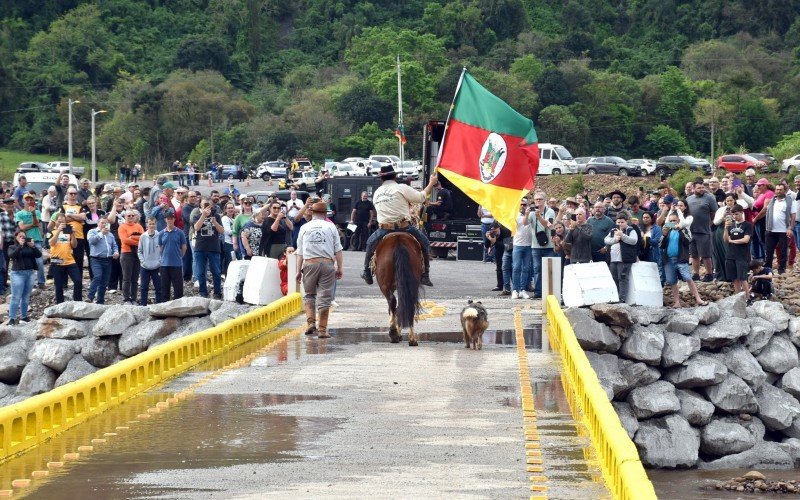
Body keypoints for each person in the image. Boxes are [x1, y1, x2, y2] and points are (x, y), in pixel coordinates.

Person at [361, 166, 437, 287]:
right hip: (404, 227)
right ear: (395, 176)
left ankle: (367, 272)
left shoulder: (377, 192)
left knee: (370, 243)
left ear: (382, 178)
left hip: (384, 229)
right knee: (425, 243)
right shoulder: (401, 188)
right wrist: (431, 183)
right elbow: (421, 198)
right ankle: (425, 275)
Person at [295, 201, 344, 339]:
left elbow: (300, 252)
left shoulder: (304, 227)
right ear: (324, 214)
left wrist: (298, 271)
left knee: (309, 295)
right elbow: (338, 250)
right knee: (325, 298)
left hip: (310, 263)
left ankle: (311, 323)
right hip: (327, 264)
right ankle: (322, 330)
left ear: (313, 213)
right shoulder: (330, 227)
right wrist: (339, 268)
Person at [660, 211, 708, 308]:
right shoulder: (668, 231)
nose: (672, 222)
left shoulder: (684, 230)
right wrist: (664, 235)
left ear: (678, 220)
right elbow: (661, 245)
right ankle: (677, 302)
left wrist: (681, 229)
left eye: (674, 220)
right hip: (669, 260)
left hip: (680, 259)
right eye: (671, 221)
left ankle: (698, 299)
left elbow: (688, 241)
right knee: (672, 281)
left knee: (688, 278)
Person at [191, 198, 224, 299]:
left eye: (208, 205)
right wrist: (203, 216)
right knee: (200, 272)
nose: (207, 206)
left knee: (216, 272)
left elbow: (222, 231)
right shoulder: (197, 216)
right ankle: (203, 292)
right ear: (200, 206)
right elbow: (196, 228)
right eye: (204, 204)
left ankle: (217, 293)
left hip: (214, 247)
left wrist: (215, 222)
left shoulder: (216, 216)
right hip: (200, 246)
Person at [686, 179, 718, 282]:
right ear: (693, 188)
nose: (701, 189)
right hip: (691, 231)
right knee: (694, 254)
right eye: (699, 188)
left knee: (706, 254)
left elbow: (714, 213)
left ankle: (709, 274)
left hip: (704, 231)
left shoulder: (709, 198)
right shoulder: (689, 199)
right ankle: (696, 274)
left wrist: (710, 223)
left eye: (702, 187)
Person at [7, 230, 41, 324]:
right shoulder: (12, 246)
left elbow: (39, 255)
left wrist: (33, 246)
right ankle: (12, 318)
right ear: (16, 238)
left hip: (30, 273)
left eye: (24, 236)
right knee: (16, 296)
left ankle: (24, 317)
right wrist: (20, 246)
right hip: (17, 274)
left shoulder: (29, 247)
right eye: (20, 236)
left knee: (25, 296)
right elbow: (12, 255)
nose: (22, 238)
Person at [604, 212, 638, 302]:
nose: (620, 224)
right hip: (613, 259)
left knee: (622, 278)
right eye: (618, 222)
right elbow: (606, 240)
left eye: (622, 222)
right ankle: (615, 297)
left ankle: (622, 298)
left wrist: (622, 236)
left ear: (626, 221)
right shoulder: (613, 230)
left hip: (624, 259)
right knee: (614, 278)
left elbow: (634, 241)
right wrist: (615, 239)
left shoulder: (631, 230)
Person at [48, 213, 82, 303]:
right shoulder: (50, 231)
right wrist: (58, 231)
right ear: (55, 222)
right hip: (56, 260)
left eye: (63, 222)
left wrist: (73, 235)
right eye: (59, 221)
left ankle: (78, 302)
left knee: (78, 281)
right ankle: (60, 304)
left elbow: (74, 246)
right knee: (59, 286)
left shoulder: (68, 231)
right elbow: (51, 243)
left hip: (69, 260)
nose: (61, 223)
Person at [15, 193, 45, 291]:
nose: (28, 201)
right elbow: (22, 227)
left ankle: (41, 282)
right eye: (26, 200)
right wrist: (33, 225)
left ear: (33, 201)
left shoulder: (36, 212)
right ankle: (28, 283)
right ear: (23, 201)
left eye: (30, 200)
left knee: (39, 262)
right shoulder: (19, 214)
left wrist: (33, 215)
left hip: (36, 239)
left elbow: (37, 223)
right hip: (24, 240)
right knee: (27, 262)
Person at [763, 183, 795, 274]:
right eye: (777, 189)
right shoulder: (772, 201)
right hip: (770, 230)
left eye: (780, 189)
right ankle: (768, 267)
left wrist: (790, 228)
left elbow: (793, 215)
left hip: (783, 230)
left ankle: (782, 268)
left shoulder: (789, 201)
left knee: (783, 251)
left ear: (784, 190)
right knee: (769, 251)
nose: (778, 191)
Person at [86, 217, 119, 304]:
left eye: (106, 223)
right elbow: (92, 241)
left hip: (108, 259)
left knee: (104, 282)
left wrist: (116, 252)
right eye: (102, 223)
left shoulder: (110, 234)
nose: (104, 225)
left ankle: (100, 301)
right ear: (98, 223)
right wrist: (101, 233)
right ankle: (90, 296)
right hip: (96, 259)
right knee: (97, 276)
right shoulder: (92, 232)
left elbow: (114, 245)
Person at [157, 208, 187, 301]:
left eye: (171, 218)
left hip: (176, 264)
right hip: (164, 265)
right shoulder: (161, 233)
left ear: (174, 219)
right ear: (165, 219)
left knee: (178, 288)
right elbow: (160, 247)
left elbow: (184, 247)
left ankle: (178, 308)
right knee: (164, 288)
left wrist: (179, 256)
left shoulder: (180, 232)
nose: (169, 220)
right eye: (168, 218)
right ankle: (164, 308)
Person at [723, 204, 752, 298]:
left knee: (743, 277)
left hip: (742, 255)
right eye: (733, 214)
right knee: (734, 278)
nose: (735, 216)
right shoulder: (731, 225)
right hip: (731, 255)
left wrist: (732, 241)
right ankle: (738, 296)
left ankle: (747, 297)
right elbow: (726, 240)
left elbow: (745, 240)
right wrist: (726, 229)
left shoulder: (747, 225)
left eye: (737, 214)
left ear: (742, 213)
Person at [509, 199, 533, 299]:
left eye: (525, 204)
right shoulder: (515, 215)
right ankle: (515, 289)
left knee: (526, 268)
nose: (523, 206)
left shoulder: (531, 215)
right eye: (521, 204)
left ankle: (523, 289)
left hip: (528, 244)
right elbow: (522, 223)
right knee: (516, 267)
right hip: (518, 244)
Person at [118, 210, 144, 304]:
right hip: (126, 253)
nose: (131, 217)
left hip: (137, 253)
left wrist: (132, 237)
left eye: (132, 215)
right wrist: (137, 239)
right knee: (126, 278)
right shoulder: (122, 227)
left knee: (135, 278)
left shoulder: (139, 226)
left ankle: (134, 298)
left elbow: (143, 238)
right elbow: (124, 240)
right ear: (125, 216)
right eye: (129, 215)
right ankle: (126, 298)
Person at [137, 217, 162, 306]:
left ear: (156, 224)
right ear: (147, 224)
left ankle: (159, 305)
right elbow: (139, 251)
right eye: (149, 224)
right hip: (145, 266)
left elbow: (162, 250)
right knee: (144, 287)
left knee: (159, 287)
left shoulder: (159, 235)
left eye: (153, 224)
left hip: (157, 266)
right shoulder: (143, 236)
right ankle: (143, 305)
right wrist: (143, 261)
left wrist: (160, 261)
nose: (151, 225)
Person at [62, 186, 87, 272]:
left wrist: (69, 215)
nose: (73, 195)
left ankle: (78, 283)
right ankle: (64, 283)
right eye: (71, 193)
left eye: (75, 193)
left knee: (78, 260)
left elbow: (83, 217)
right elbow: (63, 219)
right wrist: (77, 217)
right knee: (65, 259)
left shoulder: (80, 206)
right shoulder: (63, 206)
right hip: (66, 234)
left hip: (79, 235)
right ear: (67, 194)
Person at [484, 221, 511, 292]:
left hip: (509, 249)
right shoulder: (492, 233)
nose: (495, 233)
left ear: (499, 228)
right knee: (499, 267)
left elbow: (507, 246)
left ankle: (510, 286)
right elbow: (486, 245)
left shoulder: (506, 231)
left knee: (508, 268)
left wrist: (495, 242)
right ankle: (500, 285)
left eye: (495, 231)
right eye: (493, 231)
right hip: (498, 249)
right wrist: (487, 238)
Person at [221, 202, 236, 275]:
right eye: (229, 208)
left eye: (232, 208)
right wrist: (238, 232)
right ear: (225, 210)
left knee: (233, 262)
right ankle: (227, 277)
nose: (230, 209)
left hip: (234, 243)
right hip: (228, 243)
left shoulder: (233, 219)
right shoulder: (225, 218)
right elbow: (228, 231)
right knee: (229, 262)